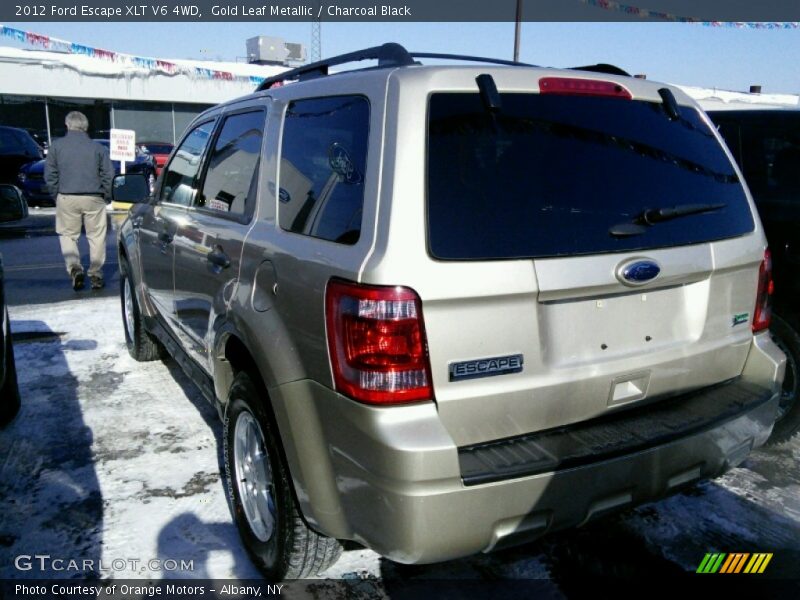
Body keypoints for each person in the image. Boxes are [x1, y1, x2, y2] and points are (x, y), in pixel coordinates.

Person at [45, 111, 113, 291]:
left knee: (68, 234)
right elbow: (108, 174)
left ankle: (74, 267)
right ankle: (96, 273)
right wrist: (106, 195)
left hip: (67, 196)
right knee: (96, 236)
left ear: (68, 125)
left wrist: (56, 195)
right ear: (86, 126)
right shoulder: (97, 148)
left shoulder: (56, 147)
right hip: (93, 197)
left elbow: (50, 175)